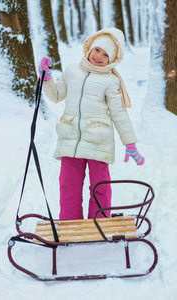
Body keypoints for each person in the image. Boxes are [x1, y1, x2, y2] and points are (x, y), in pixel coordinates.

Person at [38, 28, 145, 220]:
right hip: (70, 138)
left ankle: (99, 222)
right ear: (89, 48)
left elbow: (119, 112)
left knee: (100, 186)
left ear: (111, 60)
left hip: (98, 140)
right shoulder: (71, 70)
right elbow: (56, 95)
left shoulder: (111, 81)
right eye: (97, 50)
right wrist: (46, 79)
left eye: (106, 55)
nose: (99, 56)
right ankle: (70, 223)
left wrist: (130, 142)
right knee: (68, 185)